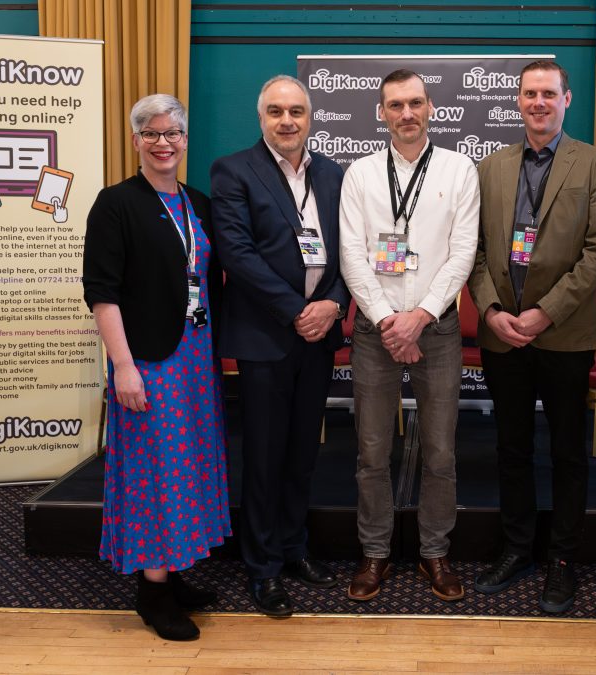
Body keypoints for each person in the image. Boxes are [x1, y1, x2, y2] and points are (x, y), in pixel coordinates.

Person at [468, 60, 596, 614]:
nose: (538, 102)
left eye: (548, 94)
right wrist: (489, 310)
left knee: (567, 452)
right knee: (511, 448)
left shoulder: (594, 163)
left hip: (565, 336)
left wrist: (544, 314)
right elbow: (475, 250)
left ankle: (562, 559)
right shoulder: (491, 167)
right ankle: (516, 549)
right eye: (529, 94)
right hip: (503, 334)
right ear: (518, 101)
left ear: (567, 99)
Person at [82, 93, 230, 641]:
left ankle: (174, 573)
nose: (163, 142)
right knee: (153, 476)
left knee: (187, 468)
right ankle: (153, 592)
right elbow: (101, 292)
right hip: (147, 361)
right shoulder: (115, 203)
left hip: (194, 358)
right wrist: (122, 366)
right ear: (136, 141)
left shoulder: (197, 203)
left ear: (186, 141)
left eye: (172, 133)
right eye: (151, 133)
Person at [210, 75, 348, 617]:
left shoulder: (334, 174)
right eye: (275, 112)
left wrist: (332, 304)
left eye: (296, 111)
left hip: (319, 335)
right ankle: (262, 566)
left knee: (301, 454)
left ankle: (293, 548)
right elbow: (237, 253)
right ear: (261, 118)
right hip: (267, 335)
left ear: (310, 117)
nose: (287, 121)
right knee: (264, 456)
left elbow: (350, 251)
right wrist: (297, 311)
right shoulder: (233, 170)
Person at [339, 69, 479, 602]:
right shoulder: (360, 175)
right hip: (377, 331)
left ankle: (434, 552)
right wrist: (386, 321)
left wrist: (419, 315)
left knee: (440, 451)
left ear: (431, 108)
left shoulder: (458, 169)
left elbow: (462, 251)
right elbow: (352, 254)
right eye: (395, 104)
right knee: (373, 451)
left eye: (415, 103)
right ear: (380, 112)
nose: (406, 114)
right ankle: (374, 553)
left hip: (436, 328)